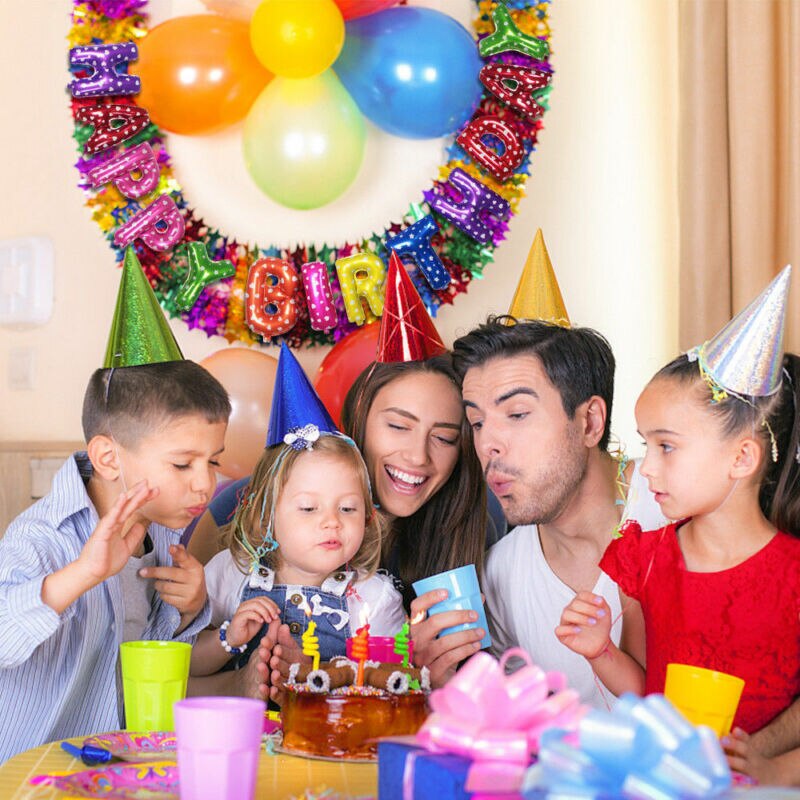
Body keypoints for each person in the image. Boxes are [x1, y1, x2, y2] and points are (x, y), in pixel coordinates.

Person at [0, 249, 230, 761]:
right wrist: (82, 573)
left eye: (213, 462)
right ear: (107, 457)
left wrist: (191, 609)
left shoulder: (165, 534)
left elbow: (156, 662)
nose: (205, 485)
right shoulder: (42, 537)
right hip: (33, 779)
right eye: (182, 464)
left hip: (120, 769)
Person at [557, 269, 800, 742]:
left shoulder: (794, 571)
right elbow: (647, 693)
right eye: (645, 445)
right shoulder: (643, 560)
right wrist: (600, 651)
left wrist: (772, 768)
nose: (645, 468)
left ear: (741, 457)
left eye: (665, 447)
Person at [451, 316, 665, 707]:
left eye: (516, 415)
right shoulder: (501, 575)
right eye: (476, 422)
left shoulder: (675, 505)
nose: (488, 445)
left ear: (589, 422)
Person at [190, 347, 403, 678]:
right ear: (267, 515)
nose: (332, 521)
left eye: (348, 508)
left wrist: (327, 673)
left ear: (367, 516)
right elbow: (184, 667)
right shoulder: (230, 574)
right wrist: (227, 639)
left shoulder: (374, 598)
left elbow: (394, 681)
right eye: (308, 508)